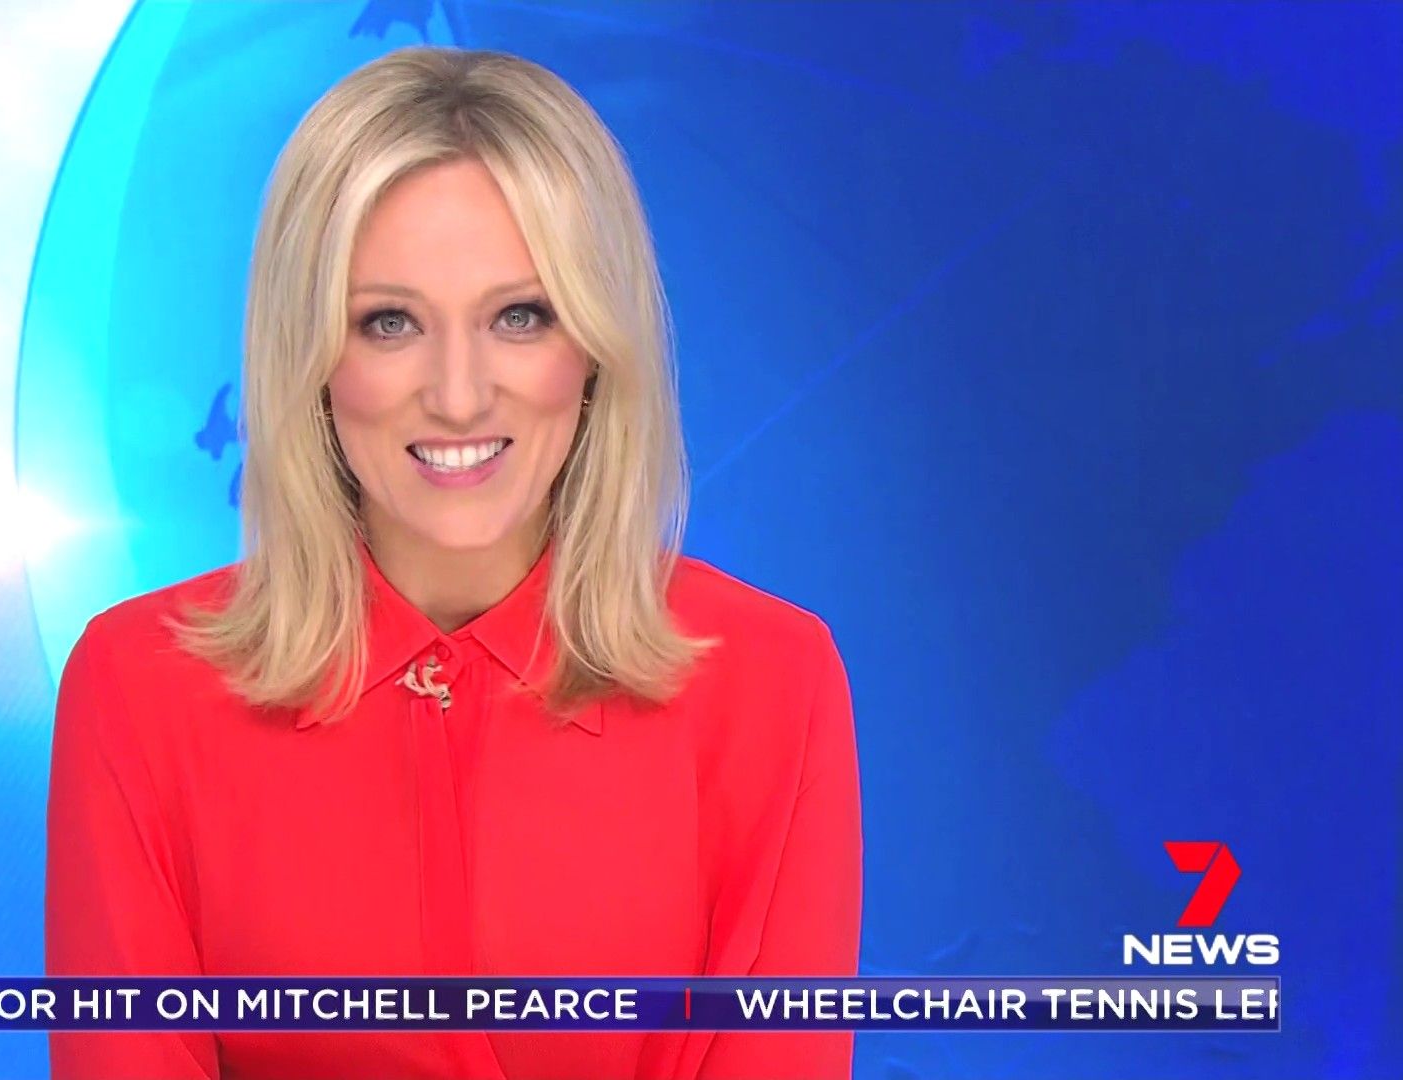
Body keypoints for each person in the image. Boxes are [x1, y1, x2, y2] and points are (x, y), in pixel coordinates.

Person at [45, 44, 861, 1080]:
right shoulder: (139, 688)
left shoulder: (770, 681)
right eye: (389, 323)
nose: (461, 395)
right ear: (310, 356)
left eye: (520, 316)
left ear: (595, 346)